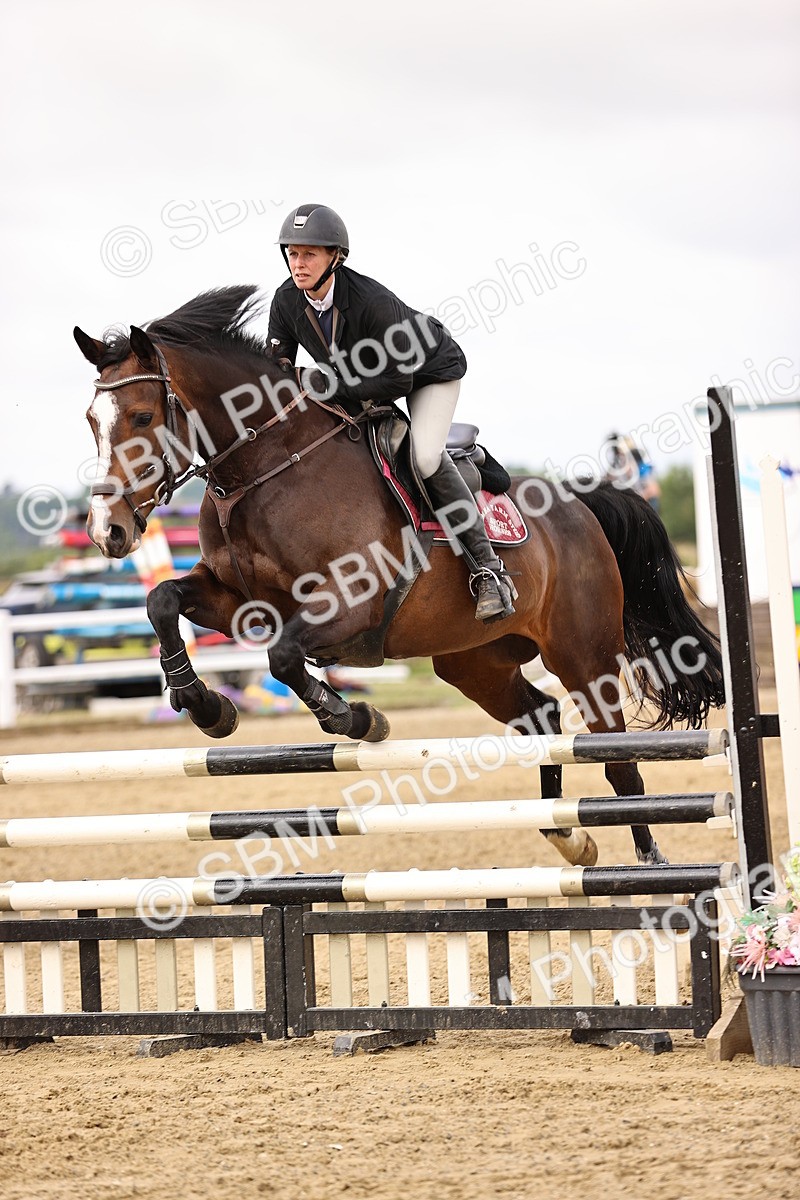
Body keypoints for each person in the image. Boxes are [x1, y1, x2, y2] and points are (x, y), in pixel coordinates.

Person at [267, 203, 517, 622]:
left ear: (335, 257)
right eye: (292, 253)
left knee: (424, 457)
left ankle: (489, 571)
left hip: (427, 373)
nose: (299, 263)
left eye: (309, 254)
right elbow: (279, 370)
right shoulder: (286, 301)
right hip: (367, 380)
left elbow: (397, 383)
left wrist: (326, 383)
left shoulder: (371, 302)